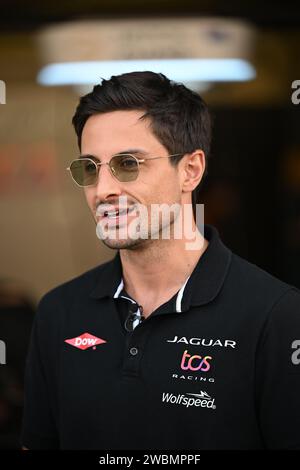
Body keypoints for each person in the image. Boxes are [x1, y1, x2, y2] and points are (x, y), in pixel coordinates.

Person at [21, 71, 300, 450]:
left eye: (128, 164)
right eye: (91, 168)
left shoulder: (276, 316)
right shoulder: (58, 313)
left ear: (190, 170)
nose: (103, 190)